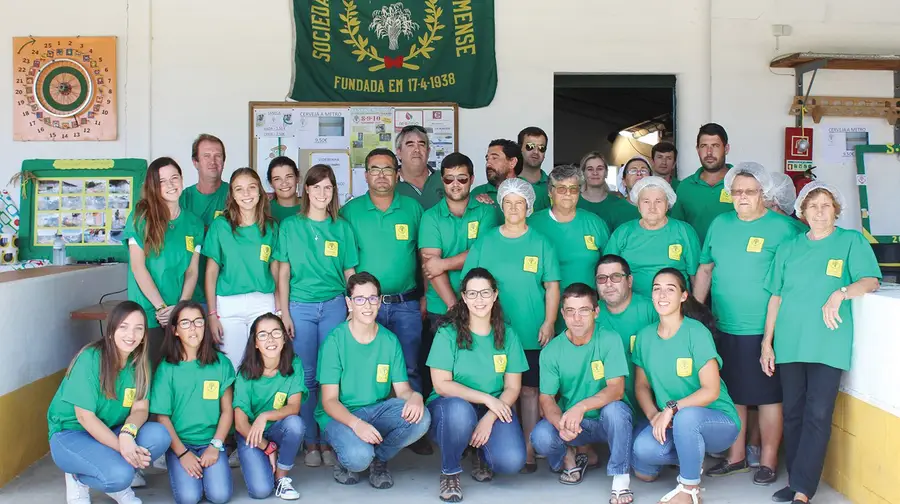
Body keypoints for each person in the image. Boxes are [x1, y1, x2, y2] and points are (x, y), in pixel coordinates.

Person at [761, 182, 880, 504]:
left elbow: (870, 280)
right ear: (802, 212)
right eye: (812, 206)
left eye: (826, 205)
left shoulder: (850, 241)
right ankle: (797, 479)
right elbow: (776, 296)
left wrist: (839, 293)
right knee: (795, 413)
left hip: (828, 342)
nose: (819, 212)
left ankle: (803, 490)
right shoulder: (789, 247)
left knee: (818, 412)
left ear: (836, 210)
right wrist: (767, 343)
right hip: (790, 342)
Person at [692, 163, 802, 484]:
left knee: (769, 396)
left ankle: (767, 461)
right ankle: (736, 457)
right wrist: (697, 315)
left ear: (763, 194)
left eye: (749, 192)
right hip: (725, 325)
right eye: (736, 191)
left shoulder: (784, 229)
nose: (742, 197)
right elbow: (705, 269)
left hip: (767, 329)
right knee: (734, 393)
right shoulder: (720, 224)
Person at [461, 178, 561, 474]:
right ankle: (495, 447)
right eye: (508, 202)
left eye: (520, 203)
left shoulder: (541, 242)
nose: (514, 208)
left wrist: (549, 321)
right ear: (501, 205)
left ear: (529, 206)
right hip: (493, 331)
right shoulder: (487, 240)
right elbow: (468, 282)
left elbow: (552, 286)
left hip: (531, 330)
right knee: (500, 388)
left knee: (529, 391)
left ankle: (528, 451)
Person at [631, 269, 740, 504]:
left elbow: (711, 390)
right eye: (657, 288)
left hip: (717, 421)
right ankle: (691, 456)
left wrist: (671, 408)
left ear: (683, 296)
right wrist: (653, 415)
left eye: (670, 289)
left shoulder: (696, 332)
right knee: (643, 452)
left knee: (686, 418)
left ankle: (689, 489)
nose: (662, 294)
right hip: (673, 421)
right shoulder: (644, 336)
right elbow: (641, 386)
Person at [47, 301, 171, 504]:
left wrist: (127, 434)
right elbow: (84, 417)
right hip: (71, 433)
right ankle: (78, 476)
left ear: (143, 336)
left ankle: (108, 468)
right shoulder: (90, 358)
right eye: (124, 327)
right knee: (120, 476)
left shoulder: (139, 363)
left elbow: (140, 408)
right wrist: (123, 447)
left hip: (111, 429)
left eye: (138, 329)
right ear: (111, 329)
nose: (131, 335)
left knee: (158, 436)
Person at [275, 163, 356, 468]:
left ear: (334, 191)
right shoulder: (290, 227)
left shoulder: (342, 227)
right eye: (316, 186)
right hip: (300, 307)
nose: (322, 193)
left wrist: (354, 306)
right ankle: (311, 442)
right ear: (305, 189)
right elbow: (282, 273)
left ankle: (330, 439)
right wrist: (283, 313)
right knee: (307, 377)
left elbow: (350, 272)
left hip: (334, 304)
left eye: (328, 187)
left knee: (332, 376)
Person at [316, 272, 431, 489]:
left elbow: (403, 390)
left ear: (379, 301)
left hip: (376, 410)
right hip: (342, 416)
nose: (367, 305)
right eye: (359, 299)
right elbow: (329, 401)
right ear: (349, 303)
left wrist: (415, 396)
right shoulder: (335, 341)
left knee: (421, 417)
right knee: (359, 457)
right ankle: (348, 460)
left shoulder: (389, 340)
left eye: (372, 298)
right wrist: (357, 425)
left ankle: (379, 460)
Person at [425, 268, 528, 502]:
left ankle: (480, 451)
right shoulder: (448, 332)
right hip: (451, 407)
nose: (479, 300)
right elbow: (441, 385)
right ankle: (450, 471)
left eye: (484, 293)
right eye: (472, 294)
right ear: (463, 296)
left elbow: (512, 387)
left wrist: (489, 416)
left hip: (491, 408)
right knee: (460, 413)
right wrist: (487, 399)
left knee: (511, 461)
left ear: (495, 295)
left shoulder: (508, 335)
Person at [531, 283, 633, 503]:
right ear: (562, 314)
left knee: (616, 411)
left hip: (607, 422)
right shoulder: (552, 351)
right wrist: (561, 424)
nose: (577, 318)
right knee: (540, 436)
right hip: (576, 425)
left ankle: (620, 479)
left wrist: (581, 406)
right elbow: (546, 398)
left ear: (596, 312)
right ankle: (571, 457)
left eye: (584, 310)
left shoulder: (609, 339)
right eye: (570, 311)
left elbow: (616, 389)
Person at [418, 153, 501, 401]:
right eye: (449, 179)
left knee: (477, 370)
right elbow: (430, 269)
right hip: (441, 308)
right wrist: (454, 306)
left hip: (481, 305)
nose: (455, 184)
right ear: (442, 182)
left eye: (462, 179)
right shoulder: (430, 216)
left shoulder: (486, 210)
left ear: (472, 179)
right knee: (443, 377)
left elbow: (481, 253)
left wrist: (444, 263)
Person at [151, 301, 235, 504]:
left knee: (220, 496)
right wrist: (182, 453)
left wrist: (215, 446)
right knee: (189, 498)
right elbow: (162, 416)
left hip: (211, 441)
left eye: (198, 322)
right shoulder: (167, 368)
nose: (193, 328)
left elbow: (227, 411)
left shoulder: (221, 364)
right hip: (181, 443)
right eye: (186, 323)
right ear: (175, 330)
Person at [124, 157, 204, 363]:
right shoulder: (141, 217)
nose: (170, 185)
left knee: (177, 374)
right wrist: (161, 309)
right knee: (149, 376)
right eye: (162, 181)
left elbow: (192, 271)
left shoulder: (194, 223)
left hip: (180, 315)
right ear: (153, 186)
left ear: (182, 180)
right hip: (150, 314)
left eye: (174, 178)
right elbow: (138, 267)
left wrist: (179, 308)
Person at [203, 168, 281, 370]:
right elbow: (211, 272)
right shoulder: (221, 226)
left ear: (260, 191)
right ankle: (233, 403)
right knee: (233, 365)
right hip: (229, 304)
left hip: (263, 302)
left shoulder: (271, 228)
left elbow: (276, 272)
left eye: (251, 188)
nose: (246, 194)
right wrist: (212, 314)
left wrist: (280, 311)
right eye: (239, 189)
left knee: (265, 364)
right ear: (232, 195)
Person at [233, 313, 306, 501]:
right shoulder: (245, 374)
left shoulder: (294, 364)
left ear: (284, 338)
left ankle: (282, 478)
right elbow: (241, 424)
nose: (271, 339)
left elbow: (294, 407)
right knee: (261, 491)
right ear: (255, 343)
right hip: (250, 434)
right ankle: (258, 460)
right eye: (263, 335)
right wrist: (268, 448)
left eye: (276, 333)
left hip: (276, 427)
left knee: (295, 424)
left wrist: (264, 416)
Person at [529, 163, 610, 333]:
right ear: (550, 191)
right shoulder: (533, 224)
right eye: (561, 189)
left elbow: (608, 267)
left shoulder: (595, 223)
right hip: (543, 314)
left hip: (587, 313)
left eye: (573, 189)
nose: (568, 194)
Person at [604, 177, 700, 297]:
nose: (652, 207)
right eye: (646, 201)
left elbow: (696, 276)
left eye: (658, 201)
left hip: (675, 308)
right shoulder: (623, 232)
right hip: (632, 307)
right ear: (638, 206)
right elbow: (606, 272)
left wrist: (696, 309)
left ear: (667, 205)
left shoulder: (684, 231)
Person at [595, 255, 659, 417]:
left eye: (616, 277)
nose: (608, 284)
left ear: (629, 281)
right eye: (602, 279)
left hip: (653, 408)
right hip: (608, 408)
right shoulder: (590, 314)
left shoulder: (652, 310)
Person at [181, 134, 230, 305]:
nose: (213, 161)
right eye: (206, 156)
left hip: (226, 292)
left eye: (218, 156)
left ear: (224, 161)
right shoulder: (182, 199)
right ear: (195, 162)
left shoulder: (236, 195)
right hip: (189, 293)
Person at [670, 123, 734, 244]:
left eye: (715, 146)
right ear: (697, 149)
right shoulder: (685, 187)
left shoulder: (742, 184)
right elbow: (676, 229)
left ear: (726, 149)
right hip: (695, 259)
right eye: (704, 146)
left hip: (732, 259)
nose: (709, 152)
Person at [577, 152, 639, 232]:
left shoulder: (618, 203)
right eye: (590, 169)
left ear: (606, 173)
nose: (595, 173)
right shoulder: (574, 202)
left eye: (600, 169)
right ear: (583, 173)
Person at [395, 125, 444, 210]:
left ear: (428, 152)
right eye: (410, 145)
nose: (417, 149)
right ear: (399, 152)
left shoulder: (445, 178)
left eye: (421, 145)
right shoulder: (389, 183)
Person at [471, 139, 523, 205]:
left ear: (512, 162)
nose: (488, 164)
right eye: (487, 159)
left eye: (494, 158)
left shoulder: (534, 192)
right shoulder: (477, 192)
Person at [517, 127, 552, 212]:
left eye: (541, 148)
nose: (536, 152)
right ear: (519, 149)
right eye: (530, 146)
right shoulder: (508, 183)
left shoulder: (554, 185)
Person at [267, 156, 301, 223]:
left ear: (297, 178)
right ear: (271, 183)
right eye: (277, 179)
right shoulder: (264, 210)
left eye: (289, 177)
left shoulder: (311, 207)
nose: (284, 183)